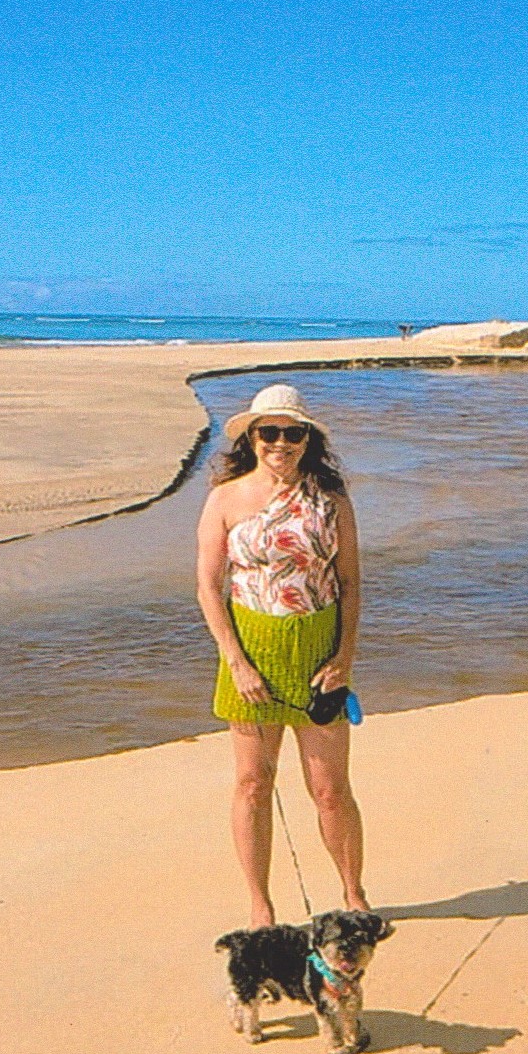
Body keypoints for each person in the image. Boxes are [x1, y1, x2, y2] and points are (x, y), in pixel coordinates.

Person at [197, 382, 369, 928]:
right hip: (251, 654)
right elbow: (208, 586)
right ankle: (260, 905)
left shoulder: (331, 499)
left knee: (330, 788)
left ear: (306, 439)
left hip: (318, 657)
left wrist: (344, 657)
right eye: (268, 432)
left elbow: (350, 584)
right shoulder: (225, 498)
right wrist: (236, 662)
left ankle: (354, 894)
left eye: (292, 433)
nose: (280, 443)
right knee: (252, 783)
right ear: (251, 437)